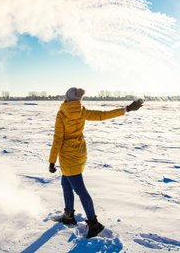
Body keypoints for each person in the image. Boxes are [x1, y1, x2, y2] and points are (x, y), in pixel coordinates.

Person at [49, 87, 143, 238]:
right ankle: (68, 215)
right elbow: (102, 115)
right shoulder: (82, 110)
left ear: (66, 98)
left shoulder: (62, 114)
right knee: (65, 183)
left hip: (68, 156)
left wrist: (52, 161)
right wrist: (126, 109)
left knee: (80, 190)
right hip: (79, 153)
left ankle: (94, 224)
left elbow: (58, 139)